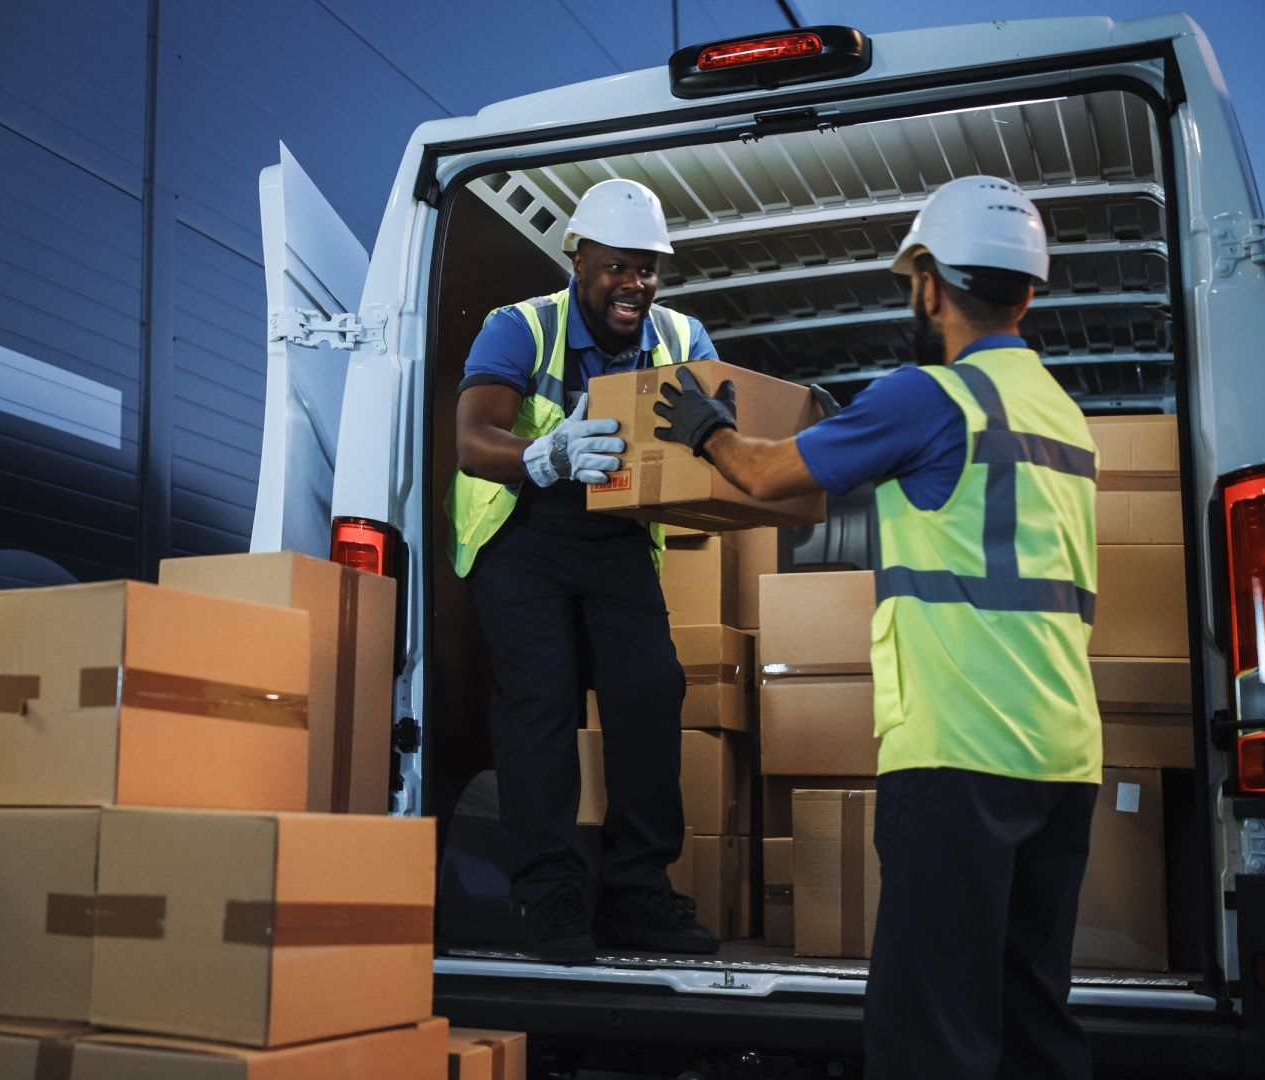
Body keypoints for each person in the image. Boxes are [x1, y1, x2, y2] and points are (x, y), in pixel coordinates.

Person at [651, 175, 1102, 1079]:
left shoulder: (929, 397)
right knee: (1030, 1020)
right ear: (1029, 288)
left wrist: (704, 429)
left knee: (929, 1033)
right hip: (1063, 759)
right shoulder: (1063, 415)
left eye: (911, 283)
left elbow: (771, 475)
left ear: (930, 281)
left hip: (958, 753)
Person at [447, 178, 721, 962]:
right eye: (619, 267)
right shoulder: (521, 327)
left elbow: (724, 425)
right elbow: (474, 439)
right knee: (541, 703)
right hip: (524, 531)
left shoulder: (680, 337)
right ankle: (548, 895)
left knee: (648, 688)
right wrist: (546, 452)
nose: (635, 284)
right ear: (578, 258)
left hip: (618, 538)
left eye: (649, 268)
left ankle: (637, 890)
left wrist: (790, 419)